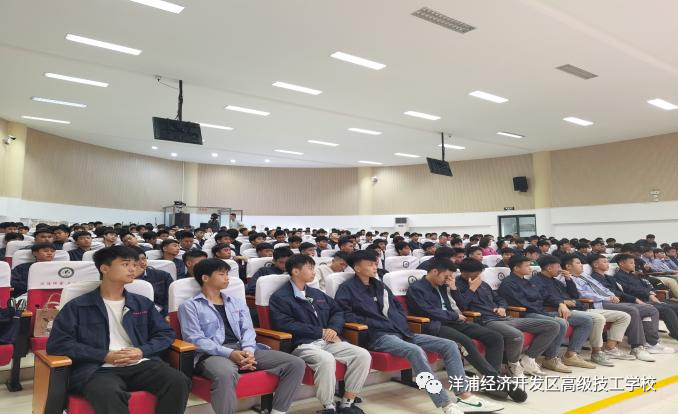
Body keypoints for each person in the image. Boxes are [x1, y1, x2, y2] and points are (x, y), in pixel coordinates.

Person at [335, 250, 503, 414]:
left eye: (375, 263)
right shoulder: (346, 289)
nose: (374, 267)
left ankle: (463, 395)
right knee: (414, 350)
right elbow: (345, 314)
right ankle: (444, 402)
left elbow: (398, 308)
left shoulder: (380, 286)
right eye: (370, 264)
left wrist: (399, 322)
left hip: (402, 332)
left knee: (450, 345)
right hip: (377, 335)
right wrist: (379, 323)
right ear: (357, 268)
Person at [46, 246, 190, 414]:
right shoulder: (77, 306)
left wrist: (141, 351)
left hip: (140, 362)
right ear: (104, 268)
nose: (133, 269)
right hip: (97, 368)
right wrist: (104, 355)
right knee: (107, 392)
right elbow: (59, 344)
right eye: (125, 264)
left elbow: (165, 334)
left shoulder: (141, 303)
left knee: (178, 380)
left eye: (134, 264)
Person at [179, 259, 305, 414]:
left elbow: (248, 330)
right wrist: (230, 353)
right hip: (212, 354)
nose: (227, 278)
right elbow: (195, 339)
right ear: (205, 278)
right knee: (225, 373)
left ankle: (278, 412)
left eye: (227, 274)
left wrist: (248, 351)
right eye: (221, 274)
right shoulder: (190, 306)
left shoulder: (236, 302)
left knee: (296, 363)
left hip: (243, 348)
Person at [406, 259, 527, 402]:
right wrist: (454, 316)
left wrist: (453, 289)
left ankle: (491, 384)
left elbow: (462, 306)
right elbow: (428, 311)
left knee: (495, 337)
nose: (448, 279)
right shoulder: (417, 289)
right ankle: (497, 382)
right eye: (446, 276)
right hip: (435, 325)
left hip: (454, 321)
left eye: (451, 276)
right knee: (465, 342)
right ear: (434, 271)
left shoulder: (444, 285)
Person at [270, 255, 371, 414]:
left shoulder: (316, 293)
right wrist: (320, 331)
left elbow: (338, 311)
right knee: (326, 359)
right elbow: (284, 324)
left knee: (362, 355)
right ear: (295, 271)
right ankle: (328, 406)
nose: (314, 272)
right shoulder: (280, 297)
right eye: (310, 268)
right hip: (302, 344)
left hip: (327, 341)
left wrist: (333, 329)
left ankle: (347, 403)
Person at [498, 255, 593, 373]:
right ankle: (549, 358)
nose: (530, 268)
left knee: (584, 320)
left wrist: (559, 303)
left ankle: (565, 356)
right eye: (527, 266)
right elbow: (523, 303)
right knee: (560, 323)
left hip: (540, 311)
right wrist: (546, 311)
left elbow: (541, 297)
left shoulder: (526, 281)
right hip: (526, 314)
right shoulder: (509, 283)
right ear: (516, 268)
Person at [582, 254, 663, 361]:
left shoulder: (609, 277)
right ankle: (637, 347)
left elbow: (619, 292)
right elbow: (610, 293)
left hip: (618, 301)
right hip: (604, 303)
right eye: (604, 262)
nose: (608, 264)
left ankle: (651, 342)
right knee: (633, 310)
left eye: (607, 261)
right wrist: (634, 299)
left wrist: (635, 299)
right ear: (596, 265)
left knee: (651, 309)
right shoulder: (594, 278)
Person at [560, 254, 636, 365]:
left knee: (624, 316)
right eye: (578, 263)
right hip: (587, 305)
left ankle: (610, 349)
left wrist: (611, 295)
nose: (581, 265)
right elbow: (581, 294)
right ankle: (596, 352)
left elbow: (601, 287)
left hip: (594, 305)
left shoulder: (584, 275)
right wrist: (607, 298)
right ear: (568, 266)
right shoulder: (565, 279)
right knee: (599, 318)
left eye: (581, 263)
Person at [614, 253, 678, 342]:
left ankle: (674, 330)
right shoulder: (618, 277)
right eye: (631, 263)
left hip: (647, 298)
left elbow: (646, 285)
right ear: (621, 264)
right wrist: (648, 294)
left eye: (634, 263)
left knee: (675, 305)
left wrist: (651, 292)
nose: (634, 265)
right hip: (637, 301)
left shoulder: (632, 275)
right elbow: (629, 290)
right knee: (666, 309)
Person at [130, 246, 174, 317]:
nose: (142, 262)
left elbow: (171, 299)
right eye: (136, 260)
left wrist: (166, 315)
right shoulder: (122, 279)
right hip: (135, 315)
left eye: (144, 258)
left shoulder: (163, 276)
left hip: (161, 313)